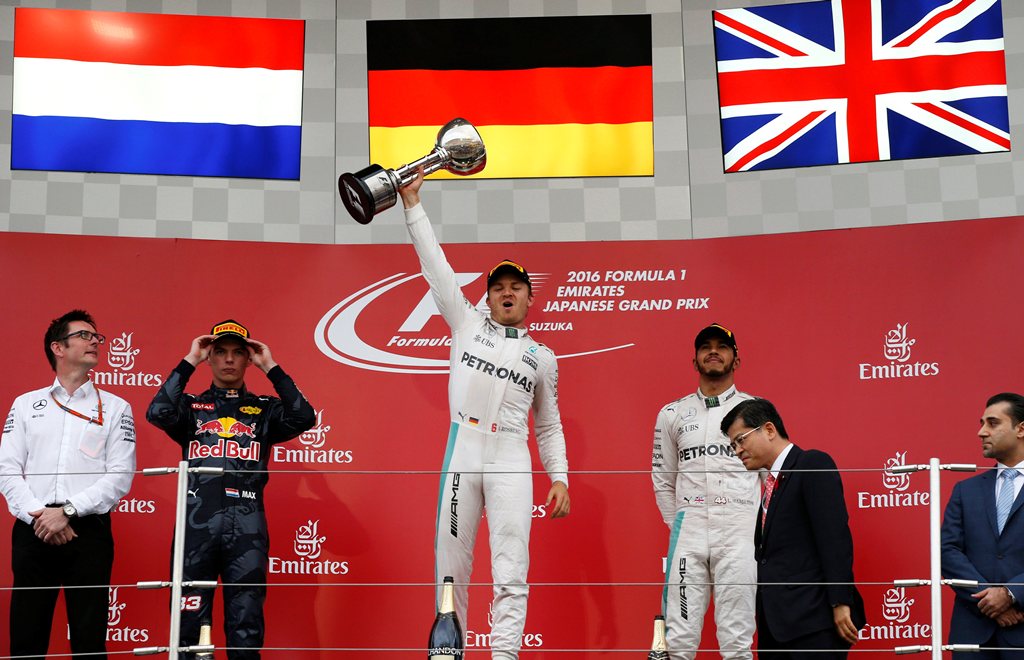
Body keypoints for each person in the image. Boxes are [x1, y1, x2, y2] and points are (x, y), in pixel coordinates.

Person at [397, 170, 570, 660]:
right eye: (499, 287)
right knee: (451, 568)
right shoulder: (466, 322)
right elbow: (435, 265)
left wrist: (559, 476)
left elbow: (549, 424)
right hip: (464, 449)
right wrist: (412, 205)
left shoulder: (544, 356)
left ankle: (506, 656)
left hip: (513, 456)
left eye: (517, 287)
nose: (507, 293)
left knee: (512, 568)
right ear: (488, 296)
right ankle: (449, 653)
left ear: (531, 299)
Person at [146, 320, 315, 660]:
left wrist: (271, 365)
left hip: (247, 526)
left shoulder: (265, 410)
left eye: (238, 353)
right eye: (219, 352)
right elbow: (158, 412)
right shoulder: (191, 408)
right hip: (196, 526)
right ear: (210, 357)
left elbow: (304, 417)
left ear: (248, 360)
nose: (228, 360)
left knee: (246, 624)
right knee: (188, 622)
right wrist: (189, 359)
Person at [0, 309, 137, 659]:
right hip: (34, 531)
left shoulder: (117, 407)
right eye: (85, 335)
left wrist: (68, 512)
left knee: (89, 643)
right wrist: (40, 516)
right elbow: (7, 470)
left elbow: (120, 476)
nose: (95, 341)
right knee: (26, 640)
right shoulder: (27, 404)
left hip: (88, 532)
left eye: (97, 337)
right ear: (58, 348)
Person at [722, 398, 864, 659]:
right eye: (732, 445)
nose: (737, 450)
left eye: (741, 439)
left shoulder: (812, 463)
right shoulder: (770, 484)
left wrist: (840, 601)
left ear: (768, 429)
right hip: (776, 630)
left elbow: (834, 538)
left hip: (814, 622)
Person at [651, 323, 758, 660]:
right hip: (689, 533)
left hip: (740, 533)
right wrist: (680, 524)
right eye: (705, 347)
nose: (714, 351)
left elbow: (771, 477)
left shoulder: (757, 411)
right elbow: (663, 479)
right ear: (694, 360)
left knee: (737, 640)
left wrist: (757, 527)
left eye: (722, 347)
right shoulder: (672, 413)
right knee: (679, 641)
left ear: (736, 359)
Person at [941, 392, 1024, 658]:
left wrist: (1011, 594)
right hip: (972, 636)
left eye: (992, 423)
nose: (981, 432)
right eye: (981, 423)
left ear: (1021, 429)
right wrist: (989, 599)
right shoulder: (966, 490)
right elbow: (948, 551)